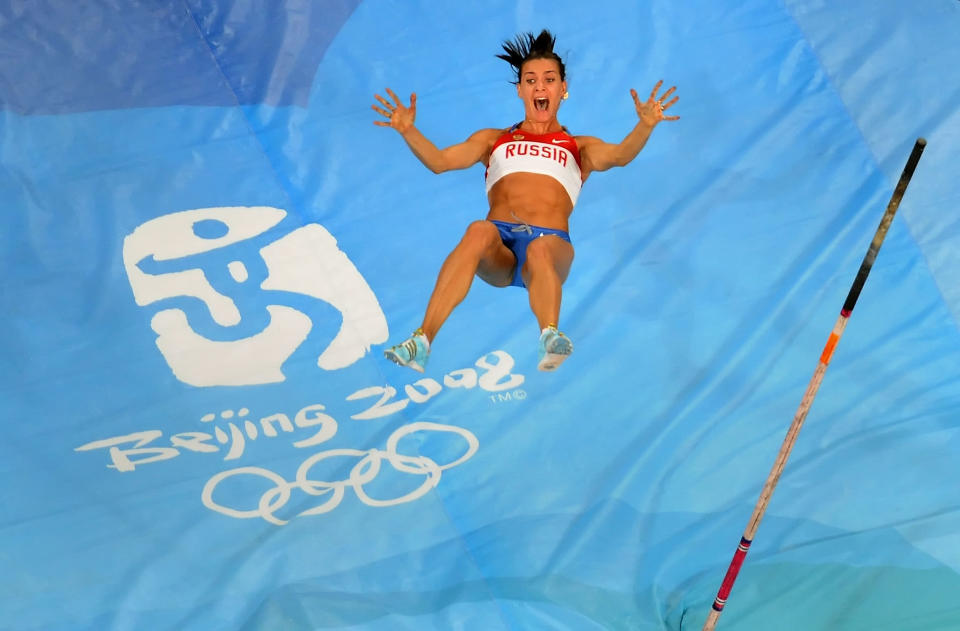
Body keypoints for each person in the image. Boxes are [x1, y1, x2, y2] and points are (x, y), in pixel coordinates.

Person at [372, 29, 678, 373]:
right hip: (499, 248)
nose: (540, 87)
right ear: (520, 90)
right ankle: (421, 342)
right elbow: (440, 162)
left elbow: (621, 155)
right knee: (477, 230)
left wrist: (645, 126)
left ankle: (550, 337)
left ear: (563, 89)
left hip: (550, 248)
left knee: (539, 249)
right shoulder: (494, 140)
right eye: (530, 80)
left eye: (549, 80)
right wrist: (408, 130)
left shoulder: (580, 147)